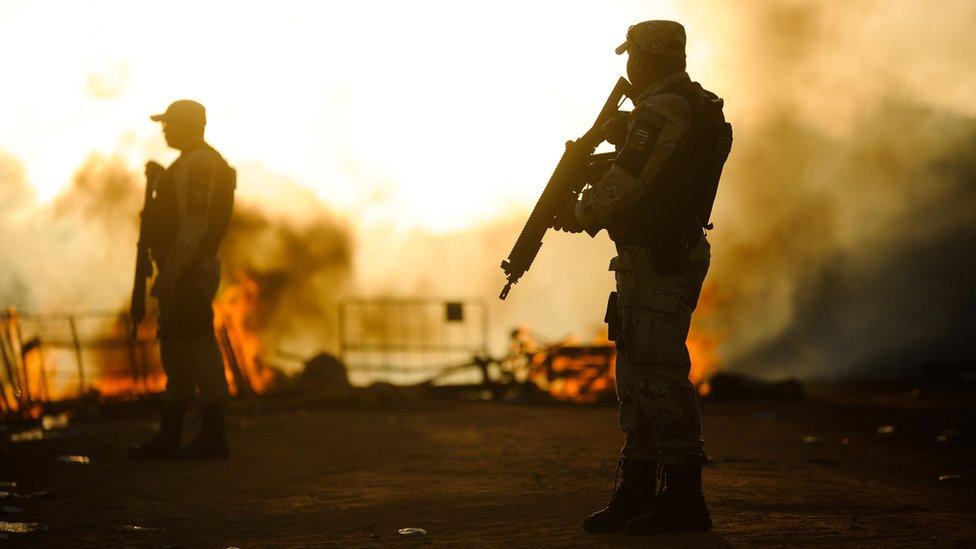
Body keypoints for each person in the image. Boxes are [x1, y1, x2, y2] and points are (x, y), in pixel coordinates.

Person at [554, 20, 732, 535]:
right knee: (636, 379)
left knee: (658, 377)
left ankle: (682, 499)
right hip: (649, 258)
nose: (628, 65)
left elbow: (630, 178)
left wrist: (582, 210)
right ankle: (636, 493)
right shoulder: (681, 106)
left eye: (632, 56)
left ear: (643, 59)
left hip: (660, 258)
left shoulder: (664, 108)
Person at [129, 99, 237, 460]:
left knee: (196, 347)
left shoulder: (201, 163)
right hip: (183, 268)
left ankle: (211, 434)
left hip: (189, 269)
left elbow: (194, 224)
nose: (165, 129)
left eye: (171, 123)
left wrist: (172, 274)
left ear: (190, 125)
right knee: (176, 351)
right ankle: (172, 433)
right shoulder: (190, 163)